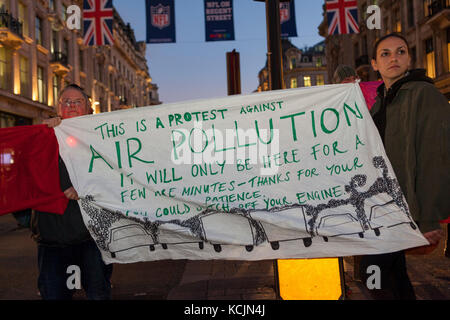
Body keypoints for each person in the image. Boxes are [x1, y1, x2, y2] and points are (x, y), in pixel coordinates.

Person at [359, 33, 449, 299]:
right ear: (375, 64)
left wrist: (429, 217)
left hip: (409, 208)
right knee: (394, 275)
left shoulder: (425, 94)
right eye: (385, 54)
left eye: (400, 52)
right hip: (385, 208)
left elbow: (437, 157)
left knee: (373, 273)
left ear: (409, 58)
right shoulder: (380, 102)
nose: (393, 58)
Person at [32, 84, 113, 300]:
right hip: (52, 238)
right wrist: (44, 134)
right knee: (55, 295)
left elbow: (114, 176)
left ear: (88, 108)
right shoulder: (43, 137)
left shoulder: (101, 137)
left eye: (77, 101)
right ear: (58, 108)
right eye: (66, 101)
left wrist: (85, 185)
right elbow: (28, 173)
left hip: (91, 238)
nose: (71, 105)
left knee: (98, 294)